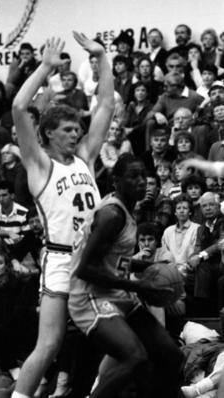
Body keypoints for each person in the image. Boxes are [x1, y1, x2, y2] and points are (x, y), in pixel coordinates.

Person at [11, 32, 114, 398]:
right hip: (59, 259)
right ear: (49, 133)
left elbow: (105, 105)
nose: (76, 134)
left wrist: (102, 58)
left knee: (123, 333)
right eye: (68, 130)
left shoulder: (85, 157)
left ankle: (97, 391)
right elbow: (20, 108)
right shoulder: (39, 165)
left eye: (77, 129)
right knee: (49, 345)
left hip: (95, 257)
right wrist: (45, 67)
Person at [68, 154, 183, 398]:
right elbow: (85, 268)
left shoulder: (126, 211)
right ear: (116, 181)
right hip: (90, 297)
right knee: (135, 357)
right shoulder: (112, 215)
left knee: (171, 355)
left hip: (116, 294)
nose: (141, 181)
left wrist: (144, 268)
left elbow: (113, 262)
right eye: (133, 177)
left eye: (144, 176)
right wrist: (140, 287)